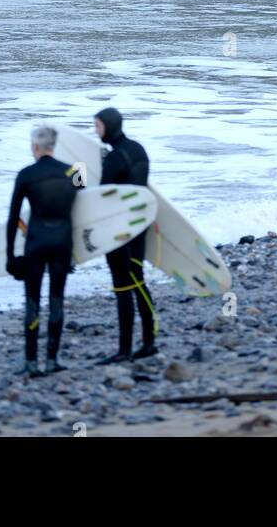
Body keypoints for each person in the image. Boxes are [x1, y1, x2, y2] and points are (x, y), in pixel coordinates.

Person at [6, 123, 77, 377]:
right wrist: (76, 252)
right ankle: (52, 360)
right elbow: (87, 208)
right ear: (53, 146)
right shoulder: (74, 171)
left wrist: (10, 256)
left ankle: (31, 362)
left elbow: (14, 217)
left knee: (33, 303)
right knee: (56, 300)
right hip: (62, 245)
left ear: (35, 146)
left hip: (35, 244)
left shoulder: (25, 174)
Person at [94, 107, 157, 364]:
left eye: (98, 126)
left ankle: (124, 349)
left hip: (118, 230)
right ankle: (150, 342)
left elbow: (99, 197)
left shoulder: (114, 158)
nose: (96, 131)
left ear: (109, 126)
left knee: (123, 287)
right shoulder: (138, 149)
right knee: (138, 281)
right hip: (140, 225)